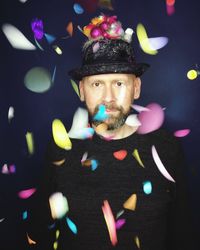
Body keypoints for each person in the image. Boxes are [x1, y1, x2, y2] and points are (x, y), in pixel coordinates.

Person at [26, 15, 196, 250]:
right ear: (82, 91)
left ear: (136, 88)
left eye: (119, 83)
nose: (108, 97)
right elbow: (39, 232)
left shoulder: (167, 149)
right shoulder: (61, 148)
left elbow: (184, 235)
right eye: (97, 84)